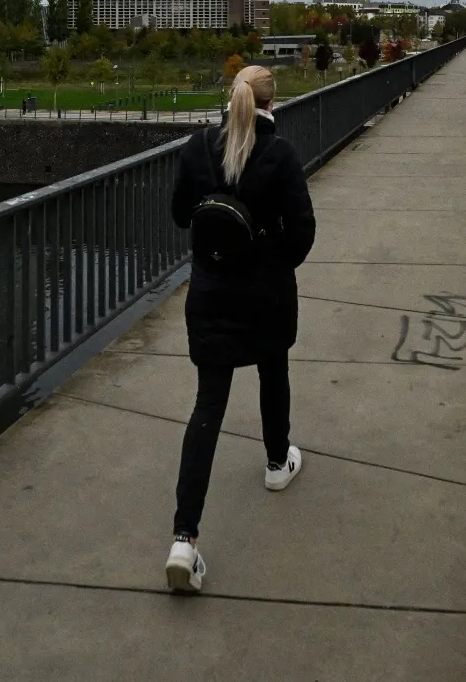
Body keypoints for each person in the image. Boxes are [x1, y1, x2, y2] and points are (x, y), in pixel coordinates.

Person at [163, 63, 317, 594]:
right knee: (274, 369)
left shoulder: (197, 148)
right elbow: (302, 234)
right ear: (273, 102)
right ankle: (278, 462)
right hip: (267, 294)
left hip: (210, 292)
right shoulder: (281, 155)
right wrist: (271, 261)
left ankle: (185, 539)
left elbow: (183, 215)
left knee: (208, 405)